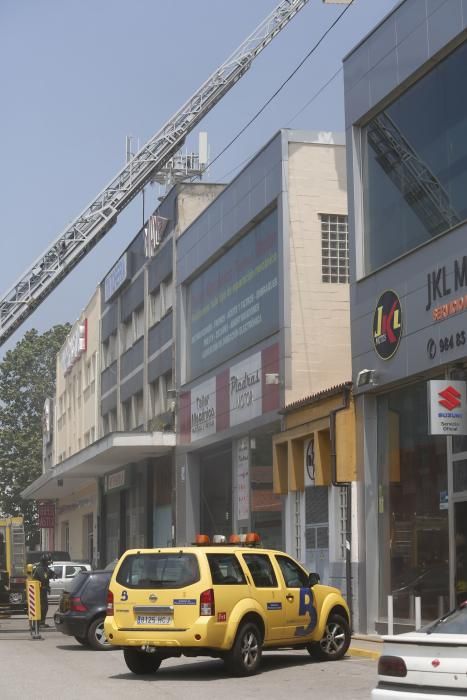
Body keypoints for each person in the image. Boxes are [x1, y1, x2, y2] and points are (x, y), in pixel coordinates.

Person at [33, 553, 56, 627]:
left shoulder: (45, 568)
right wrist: (50, 574)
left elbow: (51, 573)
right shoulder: (40, 568)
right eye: (48, 561)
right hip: (39, 591)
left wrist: (54, 574)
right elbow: (44, 578)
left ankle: (41, 622)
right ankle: (40, 623)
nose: (50, 562)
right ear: (44, 561)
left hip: (43, 590)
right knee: (43, 607)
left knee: (44, 606)